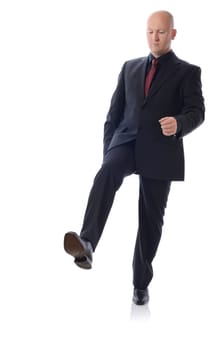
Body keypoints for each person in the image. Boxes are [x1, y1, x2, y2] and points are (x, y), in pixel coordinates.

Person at [64, 10, 205, 305]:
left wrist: (179, 124)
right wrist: (109, 152)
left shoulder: (188, 72)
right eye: (151, 31)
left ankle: (140, 284)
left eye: (162, 32)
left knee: (150, 220)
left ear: (173, 34)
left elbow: (197, 112)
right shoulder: (129, 67)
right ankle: (87, 242)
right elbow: (113, 115)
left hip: (161, 149)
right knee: (106, 173)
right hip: (126, 142)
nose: (155, 37)